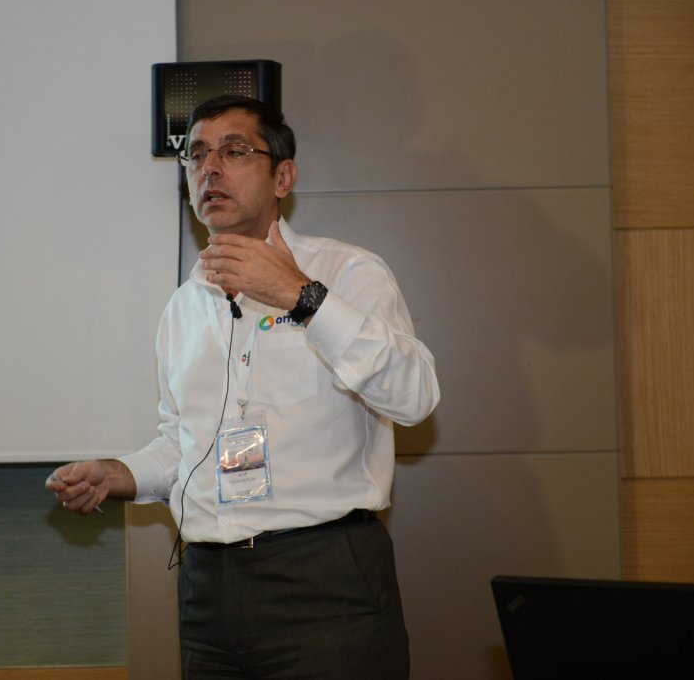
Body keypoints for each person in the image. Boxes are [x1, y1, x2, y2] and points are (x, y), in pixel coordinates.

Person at [46, 94, 440, 679]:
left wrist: (301, 297)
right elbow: (184, 444)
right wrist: (119, 473)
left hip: (325, 581)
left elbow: (414, 398)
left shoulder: (348, 274)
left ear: (283, 177)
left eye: (234, 152)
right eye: (197, 155)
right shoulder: (183, 309)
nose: (210, 168)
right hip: (209, 592)